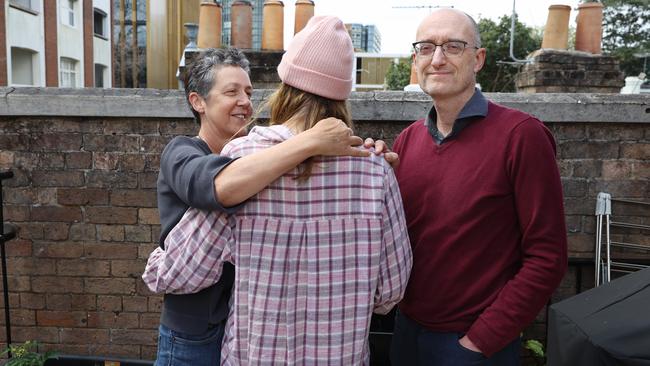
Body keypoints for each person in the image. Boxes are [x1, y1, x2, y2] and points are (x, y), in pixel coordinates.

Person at [144, 16, 412, 365]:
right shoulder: (375, 171)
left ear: (286, 86)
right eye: (231, 91)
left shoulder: (244, 161)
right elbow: (390, 290)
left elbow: (183, 272)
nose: (244, 101)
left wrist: (157, 263)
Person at [389, 8, 568, 366]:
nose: (437, 59)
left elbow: (548, 256)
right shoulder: (406, 142)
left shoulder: (521, 136)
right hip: (406, 335)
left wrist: (481, 340)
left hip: (472, 346)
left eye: (453, 46)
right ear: (415, 59)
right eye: (426, 48)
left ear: (478, 59)